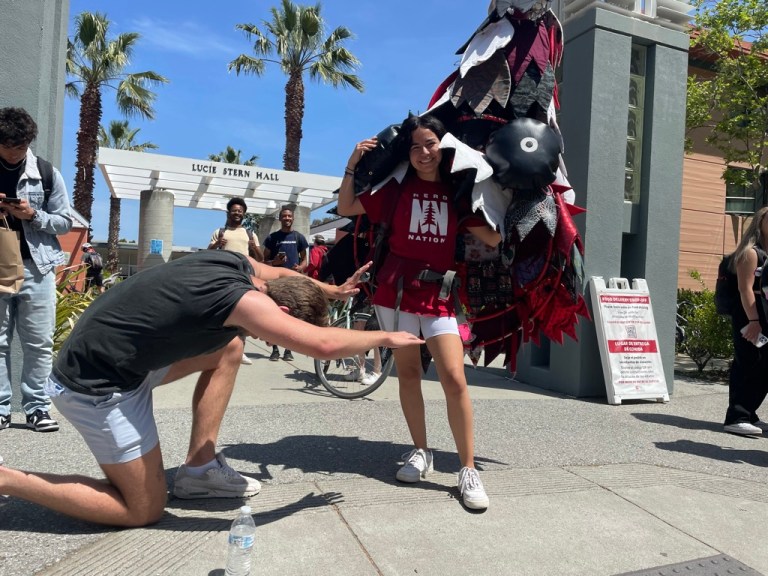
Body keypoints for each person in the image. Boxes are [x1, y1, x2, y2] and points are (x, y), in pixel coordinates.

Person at [0, 250, 422, 526]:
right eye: (281, 332)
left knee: (229, 347)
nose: (276, 340)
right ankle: (9, 479)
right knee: (142, 509)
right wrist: (387, 339)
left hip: (113, 359)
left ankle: (199, 469)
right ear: (282, 310)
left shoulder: (237, 264)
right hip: (94, 387)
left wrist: (325, 288)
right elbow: (324, 345)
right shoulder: (246, 303)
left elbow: (281, 272)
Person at [337, 114, 501, 510]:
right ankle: (420, 451)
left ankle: (466, 469)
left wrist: (511, 192)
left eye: (430, 144)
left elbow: (494, 236)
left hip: (440, 295)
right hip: (394, 293)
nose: (423, 152)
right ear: (406, 154)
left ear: (443, 147)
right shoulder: (394, 190)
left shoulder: (459, 191)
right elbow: (346, 205)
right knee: (408, 374)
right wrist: (352, 163)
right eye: (415, 147)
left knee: (454, 378)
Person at [0, 107, 72, 433]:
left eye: (21, 147)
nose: (15, 154)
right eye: (9, 148)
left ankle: (37, 408)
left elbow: (65, 221)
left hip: (36, 266)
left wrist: (33, 215)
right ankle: (1, 410)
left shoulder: (46, 172)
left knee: (39, 343)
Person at [723, 206, 768, 436]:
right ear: (760, 224)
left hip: (764, 316)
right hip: (750, 315)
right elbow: (745, 289)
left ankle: (749, 414)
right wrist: (754, 320)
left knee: (763, 366)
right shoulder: (751, 253)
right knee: (748, 364)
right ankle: (737, 416)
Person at [208, 197, 264, 365]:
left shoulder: (250, 234)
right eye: (234, 210)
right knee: (223, 312)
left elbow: (261, 258)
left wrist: (254, 247)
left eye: (240, 211)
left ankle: (240, 350)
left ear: (244, 214)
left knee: (243, 313)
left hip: (243, 277)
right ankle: (219, 349)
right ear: (229, 213)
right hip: (223, 277)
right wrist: (216, 244)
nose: (237, 213)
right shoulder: (220, 232)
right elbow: (208, 252)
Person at [263, 206, 309, 362]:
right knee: (274, 314)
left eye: (289, 216)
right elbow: (264, 261)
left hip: (293, 282)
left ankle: (288, 350)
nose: (287, 218)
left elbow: (305, 259)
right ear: (280, 218)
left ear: (293, 218)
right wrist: (274, 262)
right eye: (284, 216)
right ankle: (274, 349)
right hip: (276, 282)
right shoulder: (272, 238)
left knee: (293, 315)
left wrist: (301, 267)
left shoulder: (299, 237)